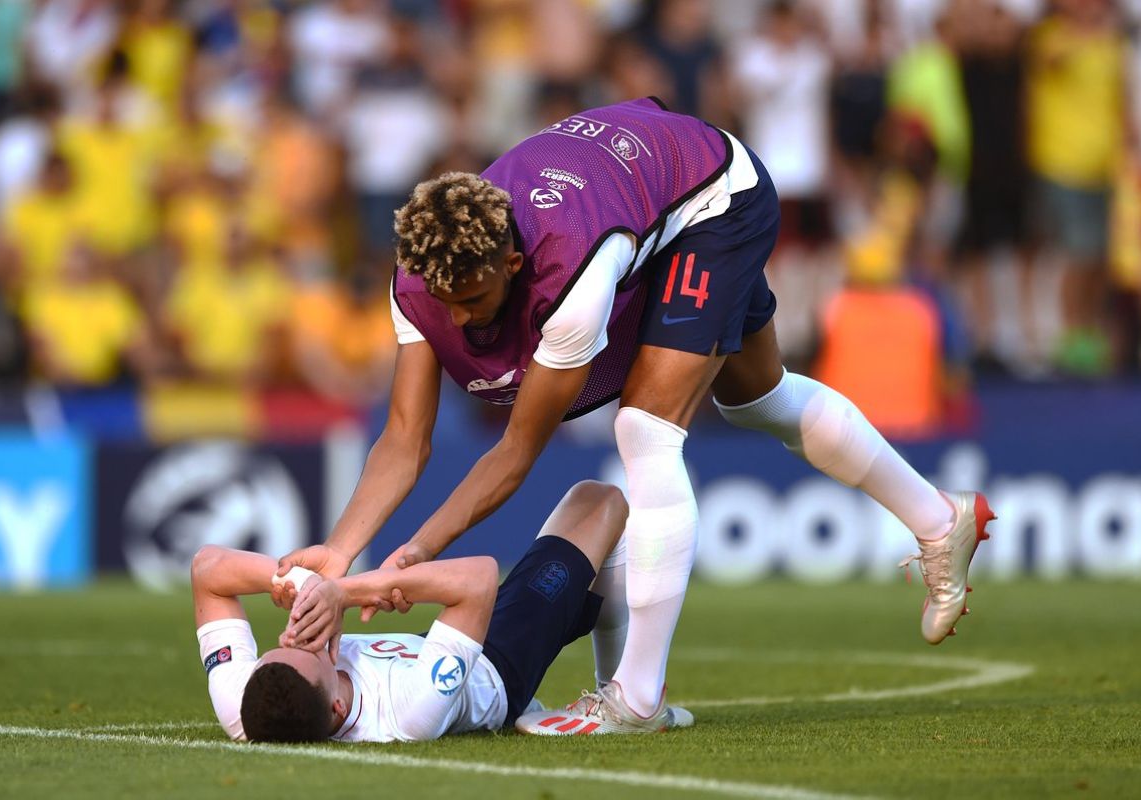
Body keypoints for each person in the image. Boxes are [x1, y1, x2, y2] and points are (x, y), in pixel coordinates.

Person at [279, 97, 994, 735]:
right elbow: (405, 438)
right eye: (448, 302)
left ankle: (637, 698)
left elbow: (515, 455)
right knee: (760, 398)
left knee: (644, 431)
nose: (460, 321)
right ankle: (940, 519)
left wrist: (409, 559)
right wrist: (341, 554)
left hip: (713, 199)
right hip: (641, 187)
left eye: (476, 299)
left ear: (516, 262)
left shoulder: (571, 276)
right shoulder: (420, 275)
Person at [193, 481, 690, 742]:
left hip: (438, 639)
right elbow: (477, 582)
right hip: (497, 663)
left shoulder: (246, 707)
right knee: (599, 502)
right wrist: (344, 591)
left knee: (594, 580)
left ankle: (620, 681)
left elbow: (208, 569)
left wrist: (303, 583)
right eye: (312, 649)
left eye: (284, 642)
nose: (299, 634)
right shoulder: (409, 716)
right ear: (338, 709)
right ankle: (633, 699)